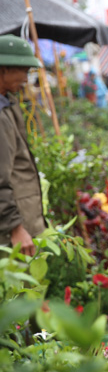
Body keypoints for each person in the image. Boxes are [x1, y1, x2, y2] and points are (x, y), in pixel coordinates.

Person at [0, 35, 47, 256]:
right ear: (4, 70)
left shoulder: (7, 104)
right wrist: (15, 227)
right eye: (24, 71)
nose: (27, 79)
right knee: (20, 289)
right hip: (12, 234)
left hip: (19, 223)